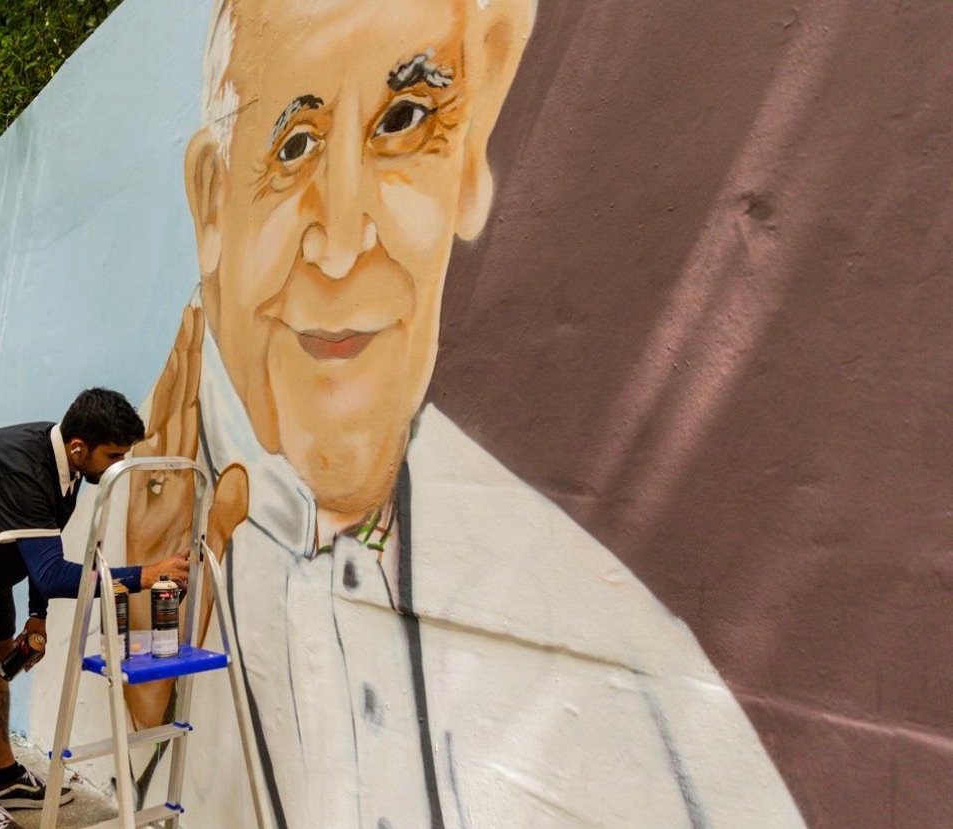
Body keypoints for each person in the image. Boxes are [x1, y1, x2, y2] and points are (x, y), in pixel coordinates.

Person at [122, 0, 807, 826]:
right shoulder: (155, 506)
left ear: (471, 160)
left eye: (404, 121)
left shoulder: (629, 669)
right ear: (209, 200)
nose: (340, 240)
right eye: (293, 145)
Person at [0, 388, 189, 829]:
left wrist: (37, 616)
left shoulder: (70, 470)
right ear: (78, 447)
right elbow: (52, 573)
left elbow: (43, 551)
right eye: (114, 454)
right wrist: (143, 575)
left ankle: (5, 776)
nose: (119, 464)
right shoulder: (20, 467)